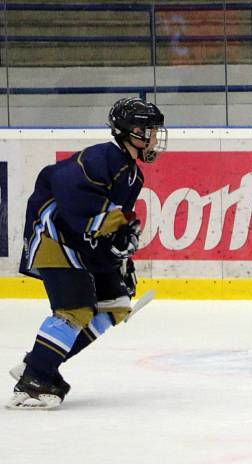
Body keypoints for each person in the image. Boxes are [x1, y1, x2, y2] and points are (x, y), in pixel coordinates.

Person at [7, 97, 167, 409]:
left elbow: (110, 223)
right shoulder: (101, 158)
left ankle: (38, 364)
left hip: (78, 243)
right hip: (53, 237)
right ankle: (33, 381)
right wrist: (109, 227)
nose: (154, 138)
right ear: (128, 132)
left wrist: (119, 250)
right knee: (75, 309)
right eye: (148, 131)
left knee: (115, 305)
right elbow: (68, 193)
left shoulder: (133, 175)